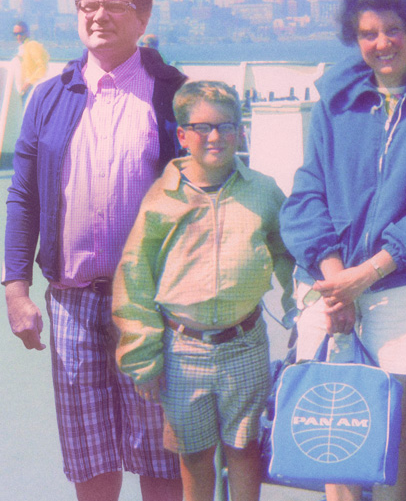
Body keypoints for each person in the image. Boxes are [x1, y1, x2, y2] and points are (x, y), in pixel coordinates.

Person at [279, 0, 406, 501]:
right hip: (330, 280)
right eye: (368, 33)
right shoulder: (334, 107)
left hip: (405, 287)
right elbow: (305, 195)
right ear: (355, 39)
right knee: (335, 426)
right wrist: (336, 278)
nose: (382, 43)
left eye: (392, 30)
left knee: (387, 427)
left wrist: (365, 276)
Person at [4, 0, 186, 501]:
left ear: (143, 15)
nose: (98, 16)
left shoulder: (172, 94)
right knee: (89, 456)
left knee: (160, 454)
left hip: (153, 306)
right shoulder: (49, 97)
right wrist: (16, 288)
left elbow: (203, 200)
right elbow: (23, 196)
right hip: (72, 303)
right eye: (88, 6)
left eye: (114, 5)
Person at [113, 80, 294, 501]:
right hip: (183, 351)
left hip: (245, 345)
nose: (215, 136)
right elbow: (135, 273)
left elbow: (288, 255)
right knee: (194, 458)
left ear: (241, 131)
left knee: (245, 450)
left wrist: (302, 313)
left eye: (227, 126)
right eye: (202, 127)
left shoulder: (263, 191)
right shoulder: (162, 198)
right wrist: (142, 352)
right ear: (182, 135)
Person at [12, 20, 50, 100]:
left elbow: (42, 67)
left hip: (31, 90)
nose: (18, 36)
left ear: (27, 33)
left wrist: (29, 83)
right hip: (23, 91)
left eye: (21, 33)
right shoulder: (22, 48)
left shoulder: (32, 45)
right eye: (15, 34)